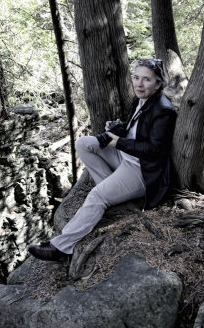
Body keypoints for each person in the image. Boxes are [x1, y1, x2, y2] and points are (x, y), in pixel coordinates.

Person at [28, 58, 177, 261]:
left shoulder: (164, 110)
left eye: (147, 79)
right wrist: (118, 126)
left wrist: (118, 142)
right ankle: (112, 192)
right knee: (84, 144)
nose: (139, 84)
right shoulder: (142, 99)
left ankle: (62, 248)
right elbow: (135, 128)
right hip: (127, 158)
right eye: (136, 78)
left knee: (97, 195)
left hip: (142, 170)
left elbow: (154, 149)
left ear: (158, 83)